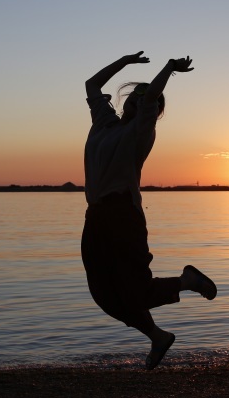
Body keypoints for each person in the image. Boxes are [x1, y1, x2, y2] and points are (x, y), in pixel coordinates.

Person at [82, 51, 217, 369]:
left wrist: (168, 68)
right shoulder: (104, 123)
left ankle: (187, 282)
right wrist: (124, 62)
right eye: (135, 95)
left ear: (154, 111)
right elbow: (91, 84)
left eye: (148, 101)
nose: (140, 100)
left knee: (136, 290)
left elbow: (152, 95)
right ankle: (157, 337)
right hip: (95, 216)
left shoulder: (141, 131)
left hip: (123, 215)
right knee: (104, 294)